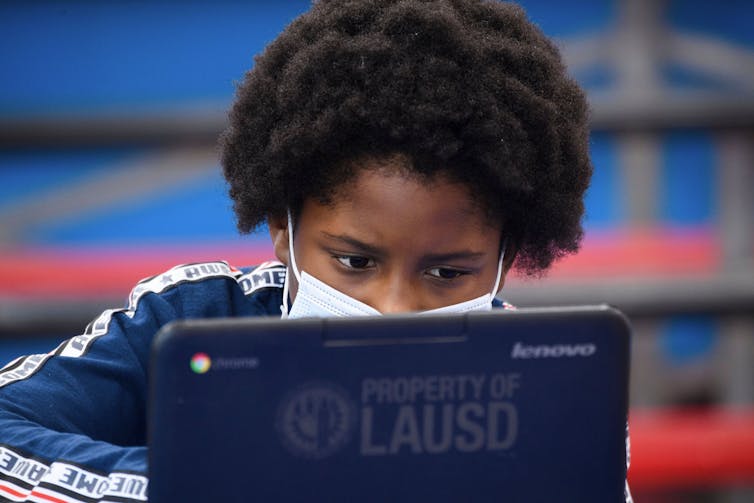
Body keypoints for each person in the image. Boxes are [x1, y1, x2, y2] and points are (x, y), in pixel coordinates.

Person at [0, 0, 628, 501]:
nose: (394, 308)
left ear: (505, 254)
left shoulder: (550, 381)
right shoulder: (191, 319)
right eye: (355, 262)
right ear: (282, 224)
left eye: (445, 272)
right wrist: (217, 483)